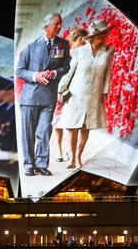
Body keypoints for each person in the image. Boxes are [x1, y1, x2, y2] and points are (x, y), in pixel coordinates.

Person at [16, 12, 71, 176]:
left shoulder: (63, 44)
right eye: (56, 23)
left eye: (60, 23)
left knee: (44, 131)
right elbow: (19, 71)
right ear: (46, 26)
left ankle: (41, 164)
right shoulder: (30, 47)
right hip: (29, 98)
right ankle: (28, 164)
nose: (59, 26)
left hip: (49, 97)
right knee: (28, 133)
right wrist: (36, 76)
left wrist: (54, 73)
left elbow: (66, 67)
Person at [58, 19, 114, 169]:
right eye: (100, 34)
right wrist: (62, 88)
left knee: (85, 127)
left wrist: (105, 92)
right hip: (77, 93)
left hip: (94, 94)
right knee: (72, 126)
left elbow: (107, 73)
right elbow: (70, 72)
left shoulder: (109, 50)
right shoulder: (79, 51)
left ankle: (78, 157)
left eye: (104, 34)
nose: (103, 37)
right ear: (92, 36)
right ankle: (70, 158)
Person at [52, 28, 88, 163]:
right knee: (57, 123)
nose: (84, 42)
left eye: (85, 40)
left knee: (69, 123)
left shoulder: (85, 55)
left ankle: (68, 151)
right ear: (74, 41)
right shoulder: (65, 55)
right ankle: (59, 150)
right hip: (60, 92)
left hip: (74, 95)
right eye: (81, 40)